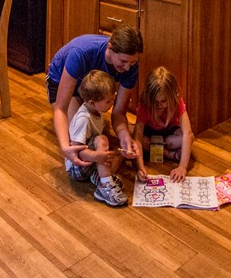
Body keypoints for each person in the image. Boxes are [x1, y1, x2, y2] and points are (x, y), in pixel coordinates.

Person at [46, 24, 143, 169]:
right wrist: (65, 148)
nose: (128, 67)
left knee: (96, 136)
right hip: (61, 82)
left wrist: (124, 136)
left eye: (133, 62)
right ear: (110, 48)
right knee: (79, 134)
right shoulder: (80, 53)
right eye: (123, 61)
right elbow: (61, 108)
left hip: (92, 87)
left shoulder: (130, 65)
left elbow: (119, 111)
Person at [65, 69, 135, 207]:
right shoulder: (83, 119)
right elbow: (75, 151)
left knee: (114, 153)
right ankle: (106, 186)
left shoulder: (95, 111)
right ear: (91, 103)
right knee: (102, 139)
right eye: (108, 101)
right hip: (76, 166)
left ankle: (100, 179)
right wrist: (96, 156)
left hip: (88, 161)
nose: (111, 104)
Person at [134, 66, 194, 182]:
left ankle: (163, 152)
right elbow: (137, 137)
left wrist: (182, 167)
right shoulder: (145, 104)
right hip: (150, 133)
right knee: (140, 141)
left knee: (185, 140)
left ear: (171, 97)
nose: (159, 105)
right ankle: (168, 154)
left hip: (169, 133)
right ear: (149, 98)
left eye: (164, 101)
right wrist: (140, 168)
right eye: (155, 102)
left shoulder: (176, 102)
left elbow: (188, 133)